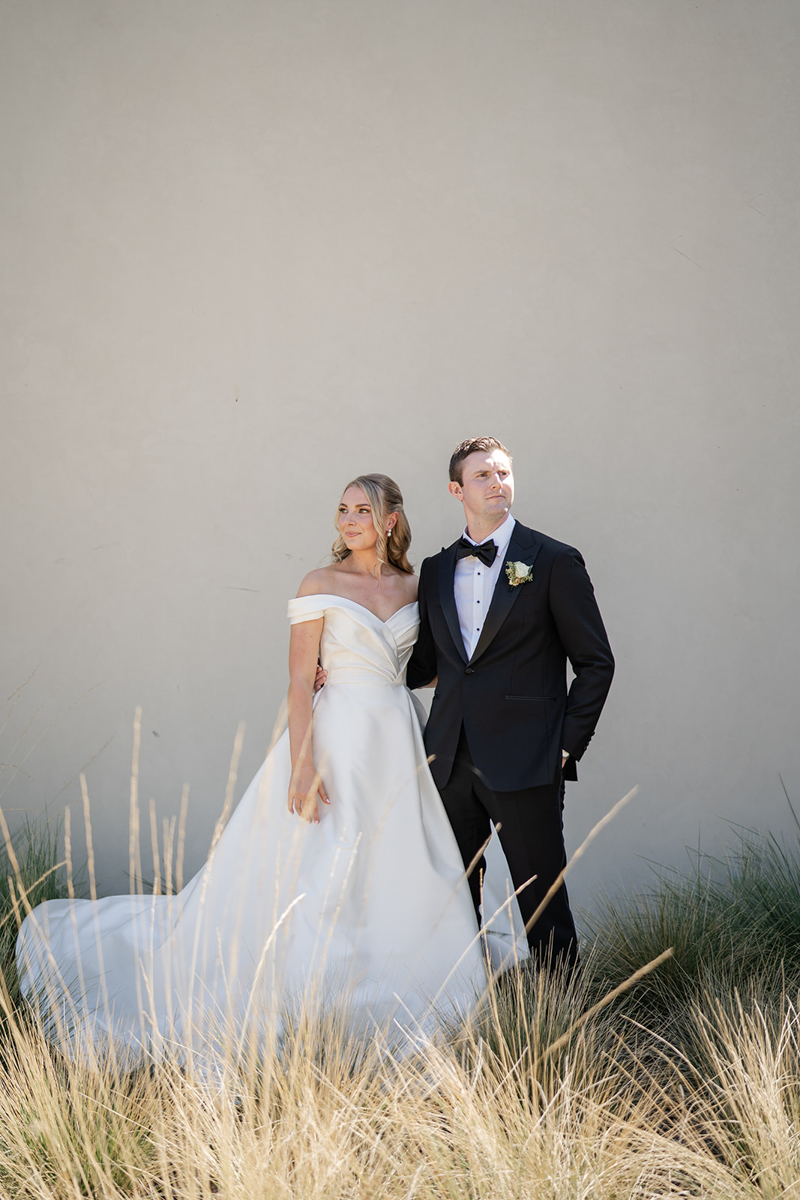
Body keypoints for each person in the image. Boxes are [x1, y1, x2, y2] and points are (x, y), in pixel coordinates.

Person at [16, 474, 486, 1065]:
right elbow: (297, 680)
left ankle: (394, 984)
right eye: (342, 509)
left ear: (390, 519)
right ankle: (312, 1000)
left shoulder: (416, 586)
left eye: (362, 510)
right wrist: (301, 765)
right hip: (336, 734)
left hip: (396, 734)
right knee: (323, 864)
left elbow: (429, 667)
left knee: (397, 858)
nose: (347, 519)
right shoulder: (320, 583)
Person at [406, 437, 615, 969]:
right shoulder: (434, 569)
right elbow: (425, 667)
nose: (497, 482)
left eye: (503, 473)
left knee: (542, 902)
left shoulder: (552, 560)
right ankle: (461, 1005)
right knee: (451, 900)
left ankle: (562, 1017)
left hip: (529, 759)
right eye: (483, 476)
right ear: (457, 490)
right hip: (448, 760)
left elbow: (596, 663)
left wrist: (565, 747)